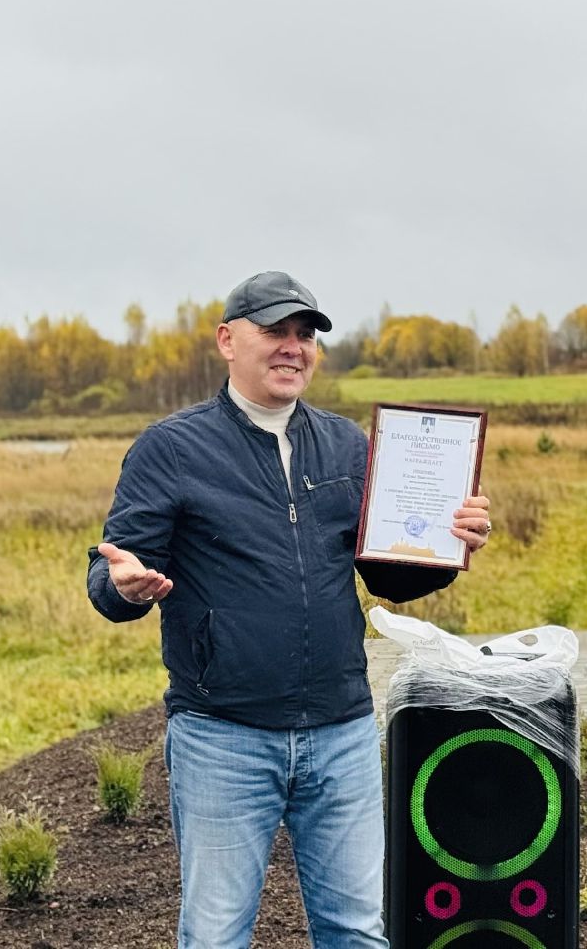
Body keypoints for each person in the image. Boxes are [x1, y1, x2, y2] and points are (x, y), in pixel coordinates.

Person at [86, 270, 495, 949]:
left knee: (357, 932)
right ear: (227, 340)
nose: (292, 347)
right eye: (275, 330)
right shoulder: (172, 449)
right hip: (223, 736)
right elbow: (115, 567)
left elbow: (387, 577)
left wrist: (445, 546)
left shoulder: (347, 446)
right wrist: (121, 587)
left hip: (342, 733)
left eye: (305, 335)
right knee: (216, 935)